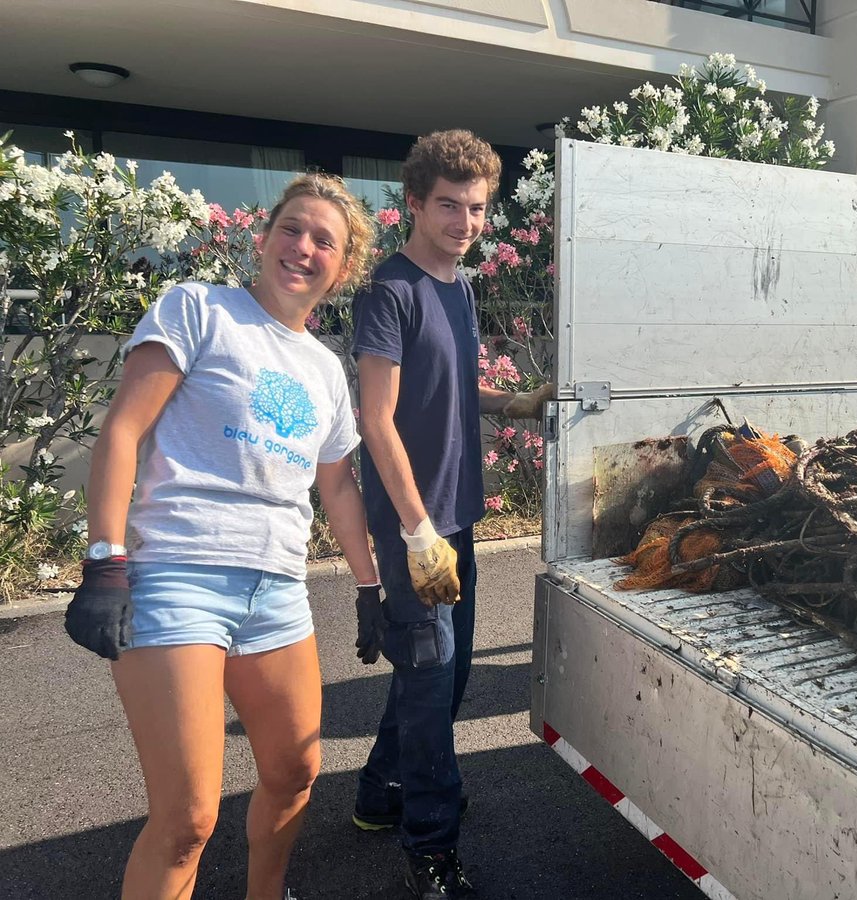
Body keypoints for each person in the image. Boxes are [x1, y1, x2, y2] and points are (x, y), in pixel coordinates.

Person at [63, 173, 382, 900]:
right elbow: (124, 430)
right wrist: (105, 561)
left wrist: (369, 588)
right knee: (186, 820)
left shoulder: (327, 371)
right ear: (263, 237)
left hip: (277, 589)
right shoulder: (198, 309)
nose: (302, 247)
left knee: (296, 774)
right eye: (291, 229)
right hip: (177, 576)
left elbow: (336, 485)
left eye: (323, 240)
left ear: (342, 268)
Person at [350, 129, 552, 900]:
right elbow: (377, 419)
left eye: (476, 209)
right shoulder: (389, 292)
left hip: (455, 520)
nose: (466, 223)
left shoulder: (460, 288)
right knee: (434, 684)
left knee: (446, 672)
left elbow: (455, 393)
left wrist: (516, 402)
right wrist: (415, 531)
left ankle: (378, 794)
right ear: (413, 204)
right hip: (417, 531)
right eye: (449, 207)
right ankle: (431, 848)